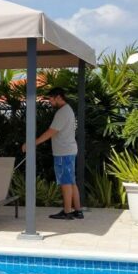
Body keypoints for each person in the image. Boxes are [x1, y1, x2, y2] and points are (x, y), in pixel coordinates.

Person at [22, 87, 83, 219]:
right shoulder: (68, 110)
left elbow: (51, 132)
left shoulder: (62, 112)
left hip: (64, 153)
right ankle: (78, 210)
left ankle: (67, 212)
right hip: (68, 150)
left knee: (66, 182)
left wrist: (32, 144)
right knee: (71, 181)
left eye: (51, 98)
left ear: (59, 97)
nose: (49, 101)